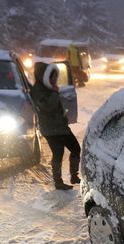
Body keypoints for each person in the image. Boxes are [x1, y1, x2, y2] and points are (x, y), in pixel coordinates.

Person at [30, 62, 81, 190]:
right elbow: (48, 106)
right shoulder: (38, 90)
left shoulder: (49, 88)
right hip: (50, 129)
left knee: (76, 148)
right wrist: (54, 92)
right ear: (44, 77)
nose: (54, 79)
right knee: (58, 153)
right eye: (52, 77)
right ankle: (58, 182)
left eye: (55, 77)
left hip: (61, 128)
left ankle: (74, 176)